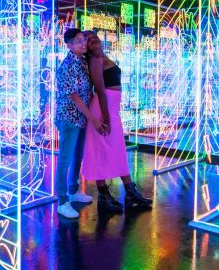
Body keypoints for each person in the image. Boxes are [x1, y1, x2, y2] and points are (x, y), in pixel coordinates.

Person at [81, 32, 151, 213]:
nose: (93, 39)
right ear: (86, 46)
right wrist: (106, 117)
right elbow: (101, 91)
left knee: (117, 148)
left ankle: (129, 191)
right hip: (104, 108)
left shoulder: (102, 57)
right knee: (101, 150)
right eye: (88, 39)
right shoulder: (95, 60)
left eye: (93, 36)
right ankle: (105, 195)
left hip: (111, 108)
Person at [54, 28, 107, 219]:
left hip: (81, 117)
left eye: (83, 40)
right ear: (68, 45)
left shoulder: (82, 61)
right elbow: (74, 96)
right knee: (65, 159)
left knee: (77, 156)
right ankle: (62, 201)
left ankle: (73, 190)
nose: (83, 43)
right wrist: (92, 118)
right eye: (78, 41)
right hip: (69, 117)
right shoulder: (68, 65)